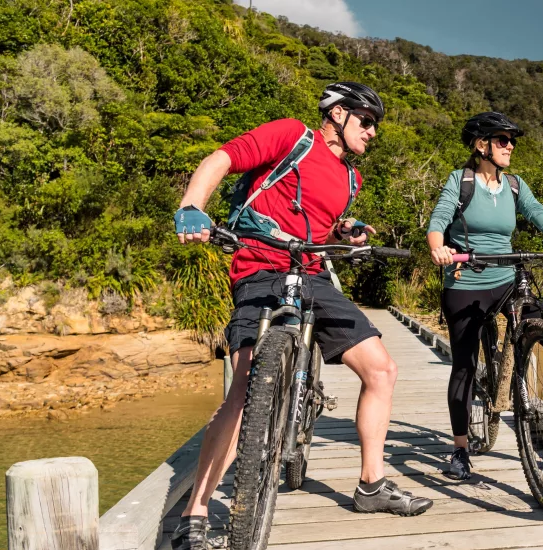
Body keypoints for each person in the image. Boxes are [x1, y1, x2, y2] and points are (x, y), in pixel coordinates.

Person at [170, 82, 431, 550]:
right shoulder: (293, 137)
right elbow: (221, 159)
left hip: (311, 276)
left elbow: (318, 222)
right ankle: (196, 512)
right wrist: (192, 206)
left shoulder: (352, 179)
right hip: (259, 267)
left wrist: (344, 230)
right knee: (245, 388)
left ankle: (371, 485)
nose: (372, 132)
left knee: (382, 369)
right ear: (337, 115)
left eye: (376, 125)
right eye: (366, 121)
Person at [426, 111, 543, 481]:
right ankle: (460, 449)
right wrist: (438, 248)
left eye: (512, 140)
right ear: (481, 145)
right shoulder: (460, 181)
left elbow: (542, 218)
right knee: (463, 365)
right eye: (502, 139)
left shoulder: (514, 185)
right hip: (466, 280)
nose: (510, 146)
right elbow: (438, 220)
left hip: (506, 275)